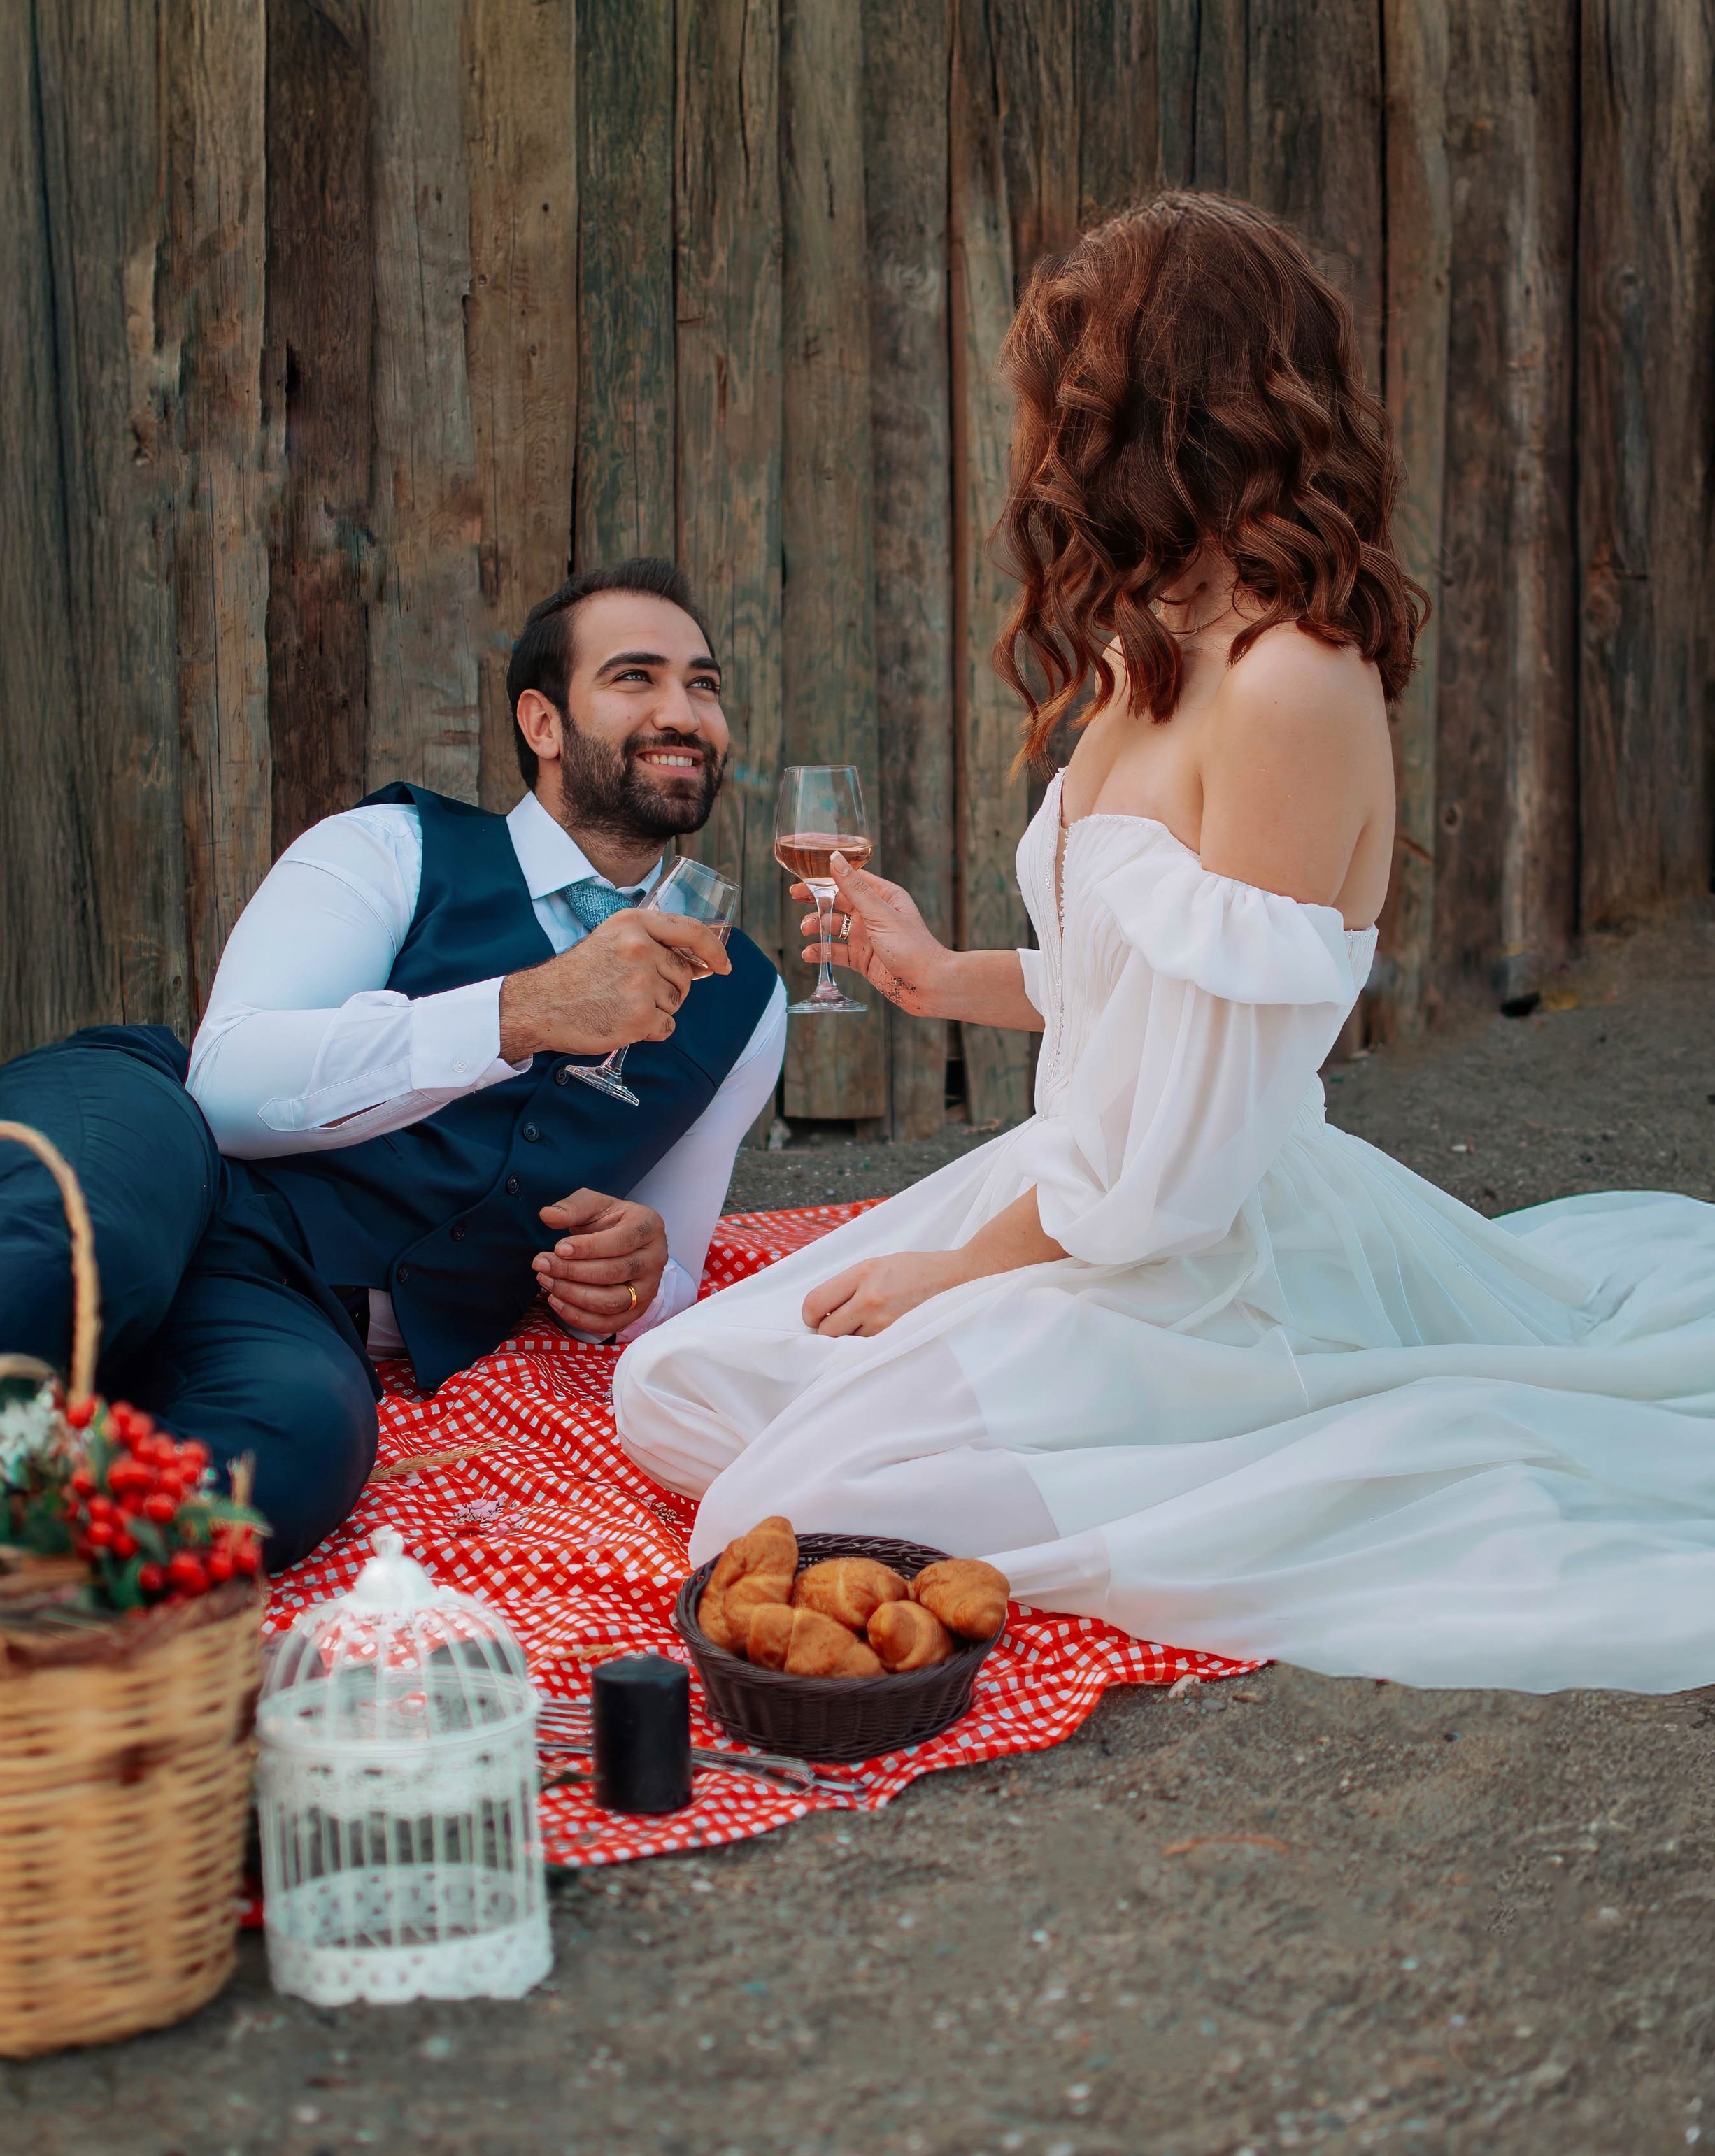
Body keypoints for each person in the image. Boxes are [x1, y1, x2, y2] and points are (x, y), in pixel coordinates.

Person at [615, 194, 1715, 1697]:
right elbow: (1129, 1000)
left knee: (766, 1511)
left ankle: (1244, 1424)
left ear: (1156, 414)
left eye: (1063, 405)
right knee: (672, 1389)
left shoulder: (1290, 685)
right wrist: (937, 975)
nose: (1040, 446)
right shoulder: (1153, 644)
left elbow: (1181, 1149)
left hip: (1195, 1253)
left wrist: (956, 1275)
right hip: (1076, 1194)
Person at [0, 559, 784, 1566]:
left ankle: (23, 1574)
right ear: (542, 724)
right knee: (77, 1255)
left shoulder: (745, 997)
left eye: (703, 684)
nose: (683, 711)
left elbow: (672, 1256)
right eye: (635, 678)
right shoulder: (387, 847)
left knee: (305, 1441)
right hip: (159, 1141)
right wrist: (520, 1011)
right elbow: (226, 1087)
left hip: (298, 1304)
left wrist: (641, 1269)